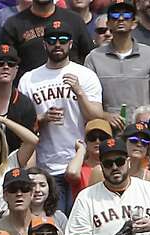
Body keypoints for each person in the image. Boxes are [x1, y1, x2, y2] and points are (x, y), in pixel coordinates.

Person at [16, 22, 102, 213]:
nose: (57, 44)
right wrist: (42, 117)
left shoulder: (85, 75)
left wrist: (79, 92)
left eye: (63, 40)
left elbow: (97, 117)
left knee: (81, 224)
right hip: (45, 168)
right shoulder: (29, 79)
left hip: (80, 163)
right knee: (53, 226)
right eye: (52, 40)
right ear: (44, 44)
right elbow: (20, 124)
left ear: (70, 44)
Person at [85, 1, 150, 121]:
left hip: (142, 133)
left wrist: (149, 118)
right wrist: (105, 116)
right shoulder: (93, 58)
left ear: (134, 23)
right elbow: (88, 101)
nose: (121, 19)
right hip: (107, 131)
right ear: (108, 24)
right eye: (115, 16)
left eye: (126, 16)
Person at [0, 0, 94, 73]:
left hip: (71, 90)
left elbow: (89, 57)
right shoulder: (14, 24)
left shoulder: (74, 20)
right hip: (31, 91)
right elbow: (6, 63)